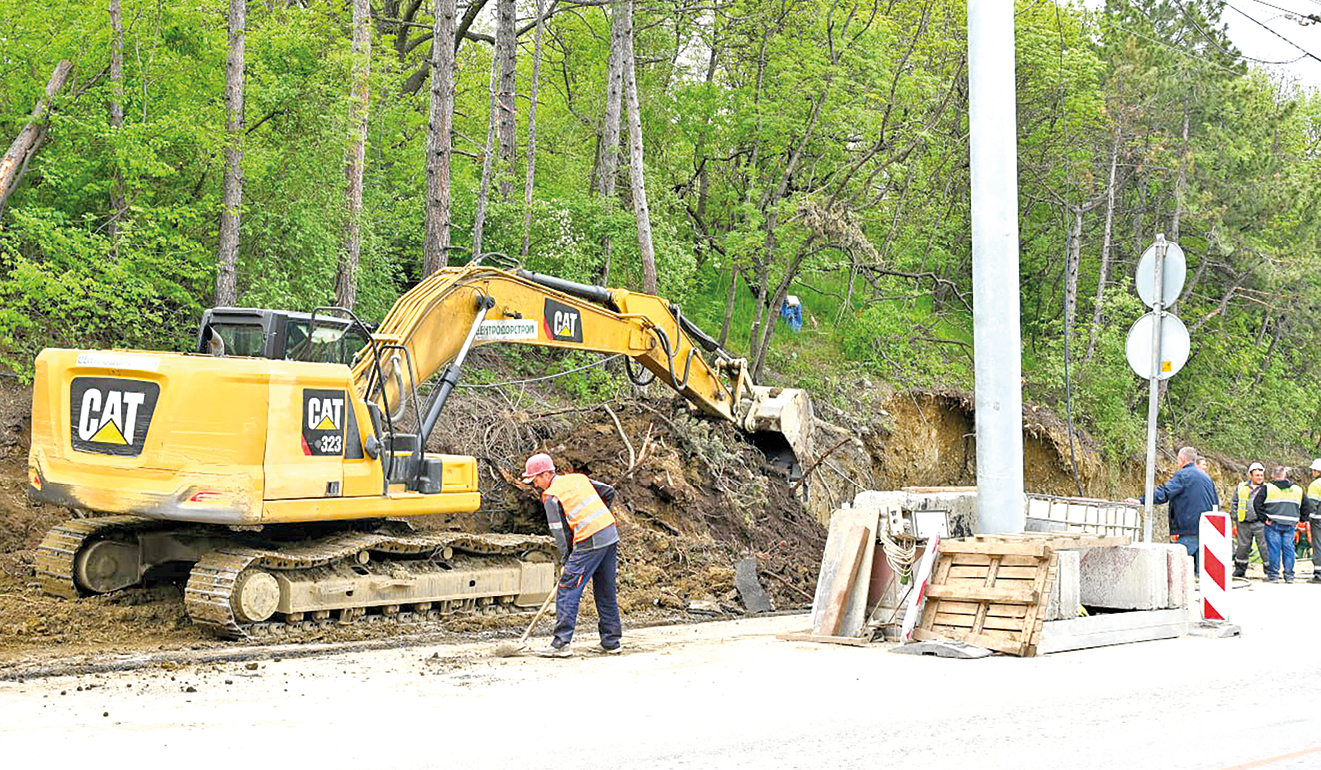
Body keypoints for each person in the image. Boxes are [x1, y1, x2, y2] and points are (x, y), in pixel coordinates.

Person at [522, 452, 622, 657]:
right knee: (605, 589)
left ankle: (561, 644)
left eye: (536, 480)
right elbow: (609, 491)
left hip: (590, 539)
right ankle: (611, 642)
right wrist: (601, 517)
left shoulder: (551, 496)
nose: (536, 485)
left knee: (568, 587)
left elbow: (560, 533)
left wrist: (567, 561)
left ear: (546, 474)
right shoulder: (578, 478)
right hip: (609, 533)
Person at [1126, 446, 1219, 570]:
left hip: (1188, 530)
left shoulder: (1183, 475)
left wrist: (1141, 500)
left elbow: (1165, 492)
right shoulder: (1207, 478)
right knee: (1202, 571)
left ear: (1180, 460)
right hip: (1207, 527)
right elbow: (1215, 503)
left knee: (1175, 567)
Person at [1252, 465, 1306, 583]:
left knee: (1273, 549)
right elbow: (1306, 507)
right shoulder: (1297, 489)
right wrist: (1300, 519)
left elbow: (1257, 504)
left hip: (1273, 524)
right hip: (1290, 525)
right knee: (1289, 549)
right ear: (1285, 476)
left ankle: (1273, 576)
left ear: (1272, 476)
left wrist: (1263, 518)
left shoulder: (1267, 488)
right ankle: (1289, 576)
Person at [1230, 462, 1269, 579]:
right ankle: (1240, 570)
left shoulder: (1267, 488)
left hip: (1260, 523)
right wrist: (1236, 517)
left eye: (1261, 475)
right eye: (1257, 475)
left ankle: (1269, 570)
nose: (1260, 477)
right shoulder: (1242, 487)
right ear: (1250, 476)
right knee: (1243, 547)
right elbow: (1234, 502)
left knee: (1264, 547)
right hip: (1244, 523)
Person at [1303, 459, 1321, 584]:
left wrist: (1307, 518)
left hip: (1318, 520)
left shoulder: (1316, 485)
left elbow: (1312, 504)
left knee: (1318, 546)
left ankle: (1319, 574)